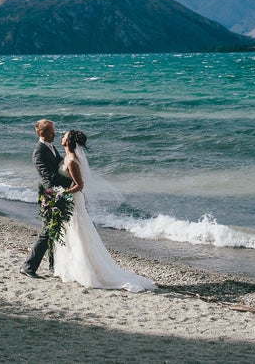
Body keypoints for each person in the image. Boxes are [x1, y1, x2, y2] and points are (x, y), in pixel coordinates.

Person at [51, 129, 156, 292]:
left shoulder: (72, 160)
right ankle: (73, 269)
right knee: (72, 232)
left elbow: (80, 185)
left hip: (73, 200)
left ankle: (88, 271)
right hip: (70, 199)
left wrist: (62, 193)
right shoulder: (68, 157)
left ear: (69, 141)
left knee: (78, 232)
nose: (61, 136)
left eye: (64, 135)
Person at [20, 119, 73, 278]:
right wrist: (70, 183)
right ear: (42, 133)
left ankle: (53, 265)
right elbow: (48, 177)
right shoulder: (39, 151)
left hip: (58, 193)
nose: (55, 134)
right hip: (49, 195)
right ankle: (28, 266)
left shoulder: (51, 147)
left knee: (55, 231)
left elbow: (58, 167)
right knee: (47, 231)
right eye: (51, 132)